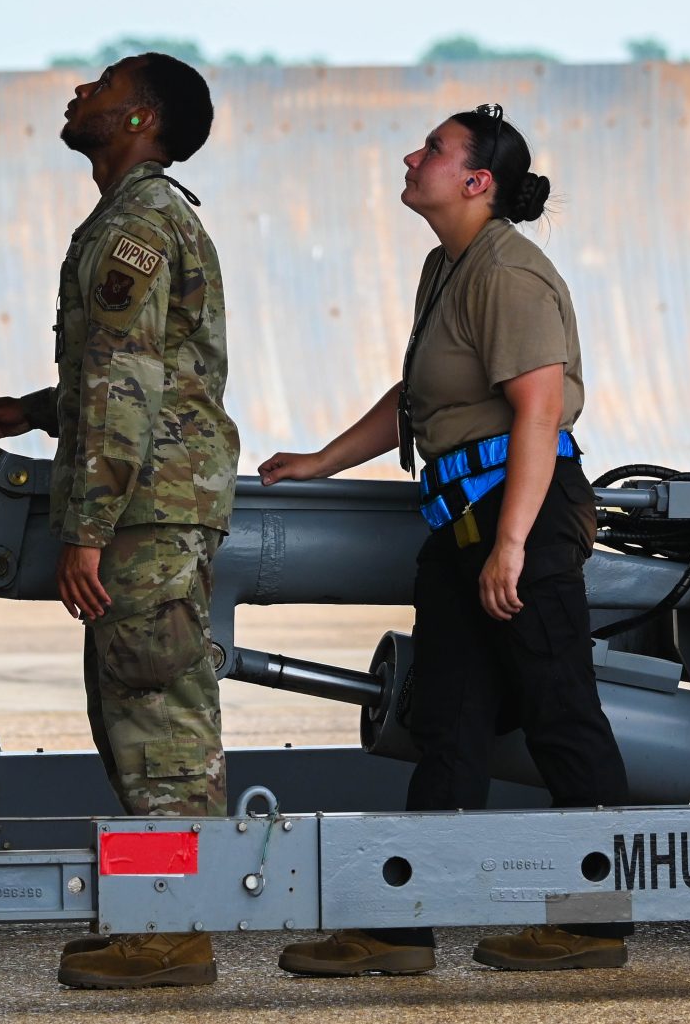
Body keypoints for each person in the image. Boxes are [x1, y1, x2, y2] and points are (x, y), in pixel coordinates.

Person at [259, 103, 631, 977]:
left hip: (520, 518)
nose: (411, 156)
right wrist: (321, 461)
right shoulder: (446, 266)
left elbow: (539, 410)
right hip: (462, 525)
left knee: (560, 710)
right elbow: (418, 399)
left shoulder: (510, 273)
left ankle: (593, 922)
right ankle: (404, 928)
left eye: (432, 148)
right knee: (449, 724)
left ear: (476, 181)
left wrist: (511, 544)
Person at [0, 53, 239, 992]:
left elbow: (127, 384)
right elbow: (129, 370)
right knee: (134, 711)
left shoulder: (138, 224)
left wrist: (86, 528)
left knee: (158, 720)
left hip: (145, 511)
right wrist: (32, 409)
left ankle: (176, 932)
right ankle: (161, 923)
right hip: (153, 499)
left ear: (140, 119)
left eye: (105, 85)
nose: (82, 91)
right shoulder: (136, 215)